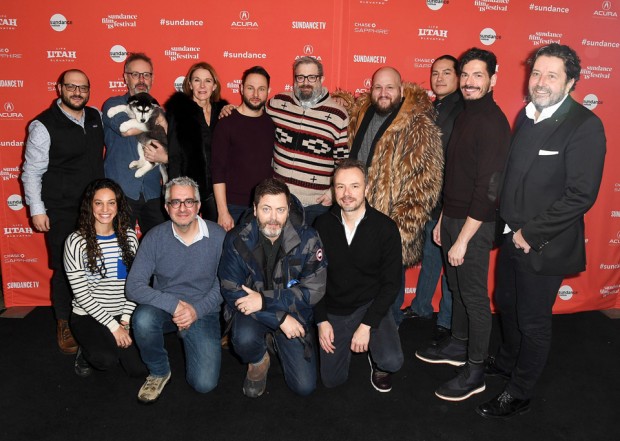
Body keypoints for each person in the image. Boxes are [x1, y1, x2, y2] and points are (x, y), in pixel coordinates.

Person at [477, 44, 606, 419]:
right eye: (536, 73)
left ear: (571, 82)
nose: (541, 82)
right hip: (510, 236)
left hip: (542, 245)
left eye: (552, 75)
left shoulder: (584, 126)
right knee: (506, 301)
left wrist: (529, 235)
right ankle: (506, 362)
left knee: (533, 320)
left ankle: (519, 391)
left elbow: (581, 195)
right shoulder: (526, 115)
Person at [415, 48, 511, 402]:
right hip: (453, 216)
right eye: (466, 75)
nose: (470, 82)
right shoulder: (466, 114)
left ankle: (475, 371)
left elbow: (487, 193)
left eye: (478, 76)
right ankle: (457, 345)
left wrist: (463, 239)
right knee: (454, 288)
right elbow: (454, 176)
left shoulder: (492, 122)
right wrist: (443, 221)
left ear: (493, 79)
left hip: (476, 223)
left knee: (472, 298)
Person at [344, 66, 444, 326]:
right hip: (356, 217)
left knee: (389, 296)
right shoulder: (362, 113)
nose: (383, 93)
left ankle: (387, 351)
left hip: (391, 226)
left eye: (389, 87)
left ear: (401, 89)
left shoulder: (419, 124)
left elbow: (423, 186)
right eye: (377, 87)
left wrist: (397, 233)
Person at [219, 178, 327, 398]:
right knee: (244, 339)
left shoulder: (308, 239)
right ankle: (258, 360)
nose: (274, 218)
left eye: (280, 210)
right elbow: (231, 290)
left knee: (304, 388)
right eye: (266, 209)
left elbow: (314, 290)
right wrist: (278, 318)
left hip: (292, 312)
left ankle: (274, 339)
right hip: (252, 313)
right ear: (255, 210)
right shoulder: (237, 239)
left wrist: (265, 300)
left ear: (288, 210)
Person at [22, 69, 105, 354]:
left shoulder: (96, 117)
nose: (78, 92)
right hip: (60, 208)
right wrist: (37, 210)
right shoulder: (43, 126)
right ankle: (64, 322)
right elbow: (31, 172)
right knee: (64, 267)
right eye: (72, 87)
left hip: (97, 209)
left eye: (83, 87)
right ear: (59, 88)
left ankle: (95, 314)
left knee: (96, 263)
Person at [126, 177, 226, 403]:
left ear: (199, 206)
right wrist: (175, 305)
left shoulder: (218, 236)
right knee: (142, 319)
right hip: (165, 306)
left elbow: (226, 285)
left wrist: (195, 311)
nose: (182, 208)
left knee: (204, 384)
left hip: (203, 310)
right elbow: (133, 286)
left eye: (189, 201)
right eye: (175, 202)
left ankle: (189, 332)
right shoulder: (154, 237)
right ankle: (159, 371)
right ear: (166, 206)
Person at [314, 159, 403, 392]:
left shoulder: (386, 228)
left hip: (369, 303)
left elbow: (391, 284)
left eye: (354, 186)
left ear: (366, 187)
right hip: (335, 309)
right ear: (333, 190)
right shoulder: (321, 225)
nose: (347, 193)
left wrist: (367, 326)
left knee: (392, 361)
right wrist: (321, 320)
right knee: (332, 380)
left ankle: (377, 360)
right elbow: (313, 278)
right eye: (340, 186)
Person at [402, 55, 464, 343]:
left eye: (446, 72)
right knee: (430, 259)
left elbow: (454, 162)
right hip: (427, 200)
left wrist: (446, 208)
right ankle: (421, 307)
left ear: (458, 76)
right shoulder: (431, 106)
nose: (439, 78)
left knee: (450, 266)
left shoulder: (462, 108)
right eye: (435, 72)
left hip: (447, 204)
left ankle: (447, 320)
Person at [64, 178, 146, 378]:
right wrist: (114, 328)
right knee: (105, 360)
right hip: (88, 315)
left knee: (138, 370)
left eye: (111, 202)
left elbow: (132, 285)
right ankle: (86, 347)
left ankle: (108, 340)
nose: (105, 209)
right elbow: (82, 295)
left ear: (118, 205)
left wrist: (125, 320)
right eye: (98, 202)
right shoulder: (76, 241)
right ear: (89, 205)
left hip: (122, 313)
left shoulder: (128, 237)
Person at [266, 56, 349, 226]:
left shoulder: (338, 114)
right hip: (281, 201)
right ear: (294, 79)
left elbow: (343, 162)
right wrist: (229, 108)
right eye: (300, 77)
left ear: (322, 79)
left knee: (313, 252)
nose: (306, 83)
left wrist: (333, 191)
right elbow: (251, 116)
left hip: (317, 205)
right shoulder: (277, 103)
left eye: (312, 77)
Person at [102, 52, 167, 235]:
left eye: (146, 74)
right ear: (125, 78)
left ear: (152, 79)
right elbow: (126, 129)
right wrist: (157, 121)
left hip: (153, 191)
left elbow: (171, 144)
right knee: (119, 251)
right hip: (120, 192)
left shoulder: (159, 109)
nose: (141, 79)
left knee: (159, 251)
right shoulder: (112, 103)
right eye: (135, 74)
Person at [211, 66, 275, 231]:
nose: (255, 94)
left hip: (263, 207)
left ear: (268, 90)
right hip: (232, 208)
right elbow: (217, 170)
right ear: (241, 89)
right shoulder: (226, 122)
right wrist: (223, 211)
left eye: (261, 89)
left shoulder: (270, 123)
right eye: (250, 88)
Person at [165, 61, 229, 222]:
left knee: (218, 237)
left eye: (207, 81)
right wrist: (176, 193)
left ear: (214, 86)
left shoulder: (223, 112)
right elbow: (174, 156)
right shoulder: (179, 112)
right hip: (188, 191)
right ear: (190, 84)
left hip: (217, 190)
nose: (202, 86)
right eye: (197, 80)